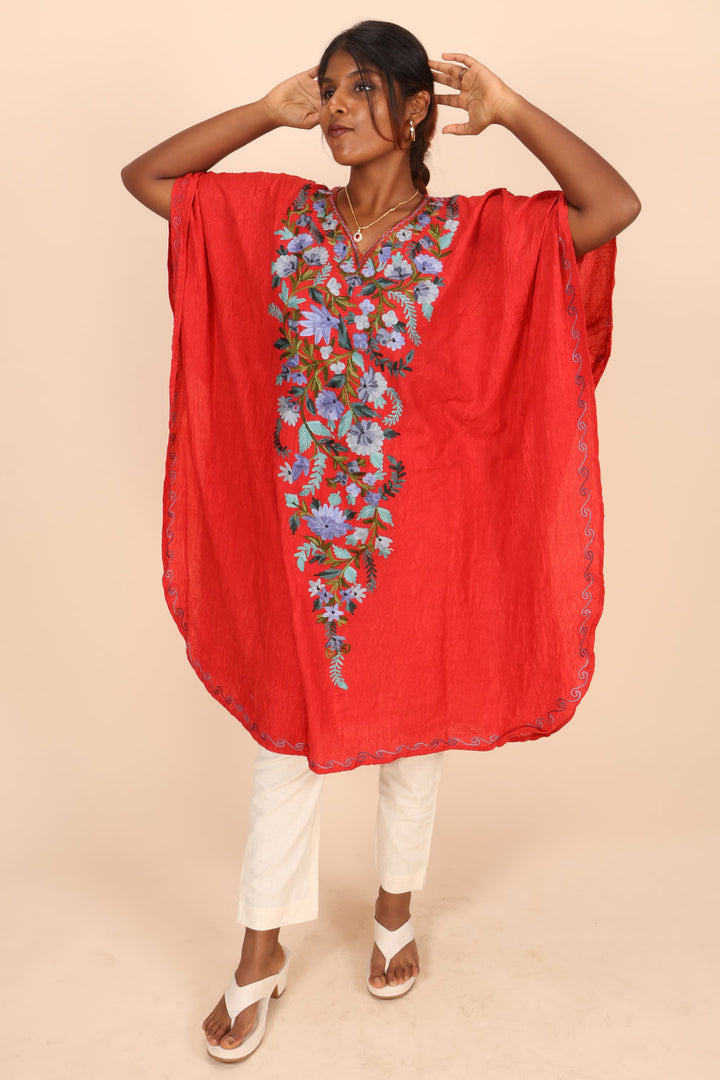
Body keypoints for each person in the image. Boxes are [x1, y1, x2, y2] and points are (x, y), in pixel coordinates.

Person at [121, 20, 640, 1062]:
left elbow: (610, 207)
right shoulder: (281, 217)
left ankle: (395, 912)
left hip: (422, 532)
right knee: (286, 738)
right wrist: (262, 114)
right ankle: (261, 948)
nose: (337, 107)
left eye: (362, 88)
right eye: (329, 89)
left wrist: (513, 111)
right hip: (303, 542)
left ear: (415, 111)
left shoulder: (476, 235)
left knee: (415, 731)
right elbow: (148, 180)